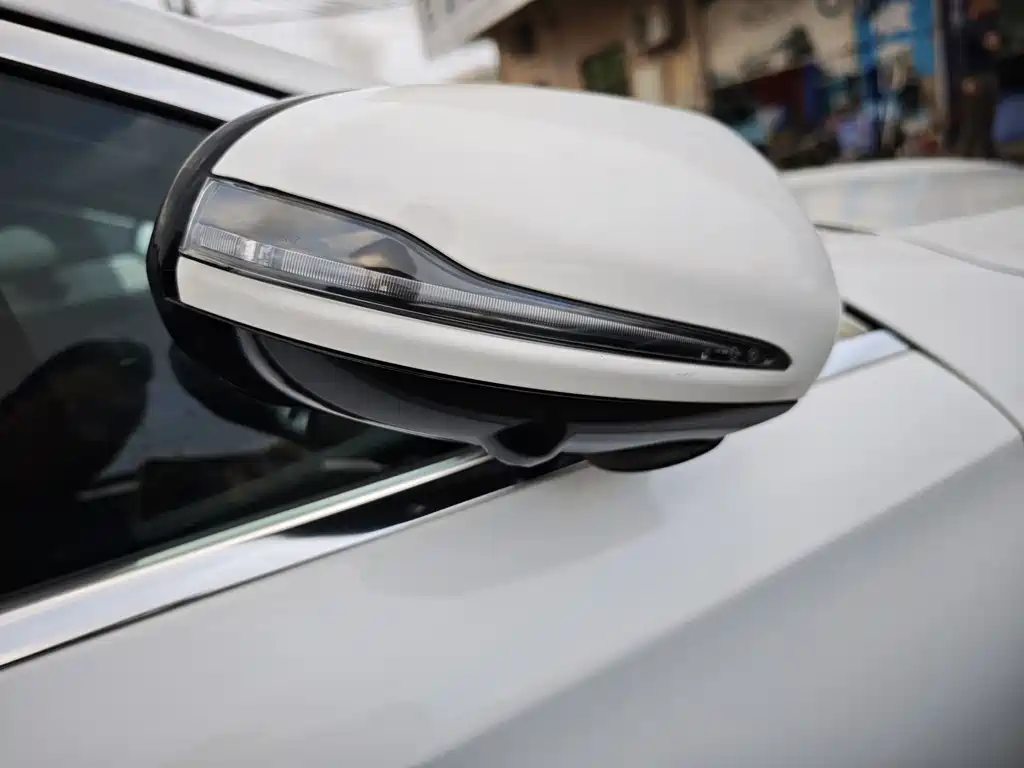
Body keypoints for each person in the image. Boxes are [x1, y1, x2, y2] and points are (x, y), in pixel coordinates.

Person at [955, 0, 1002, 158]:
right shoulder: (969, 26)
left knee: (987, 121)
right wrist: (966, 78)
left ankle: (988, 153)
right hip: (975, 78)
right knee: (973, 122)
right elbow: (963, 56)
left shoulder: (989, 23)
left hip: (988, 76)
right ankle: (964, 156)